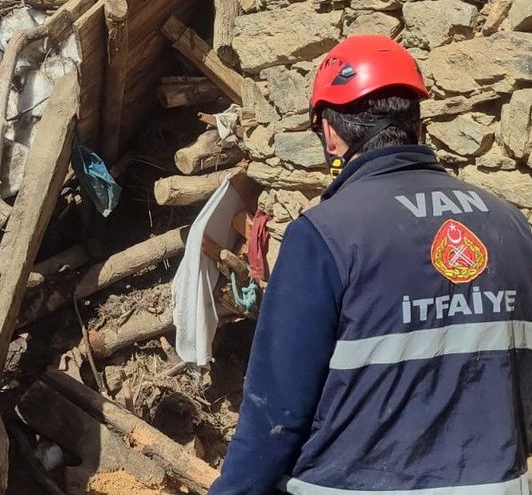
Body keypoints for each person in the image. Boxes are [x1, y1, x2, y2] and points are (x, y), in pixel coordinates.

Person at [209, 35, 532, 494]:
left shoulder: (323, 236)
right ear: (418, 125)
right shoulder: (511, 225)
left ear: (331, 133)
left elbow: (275, 412)